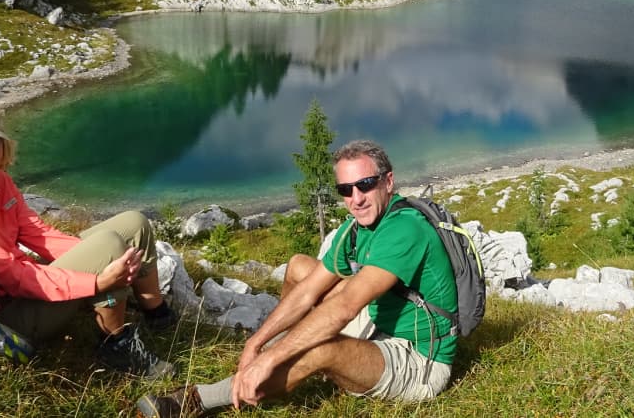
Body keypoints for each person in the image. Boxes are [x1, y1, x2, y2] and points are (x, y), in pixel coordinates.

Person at [135, 139, 457, 417]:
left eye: (365, 184)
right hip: (381, 324)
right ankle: (283, 362)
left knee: (321, 347)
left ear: (388, 181)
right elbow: (306, 292)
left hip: (419, 358)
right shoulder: (356, 229)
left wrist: (271, 357)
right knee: (302, 268)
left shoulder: (405, 228)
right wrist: (257, 342)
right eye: (345, 189)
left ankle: (196, 400)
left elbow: (345, 306)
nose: (355, 198)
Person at [0, 107, 176, 377]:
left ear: (3, 146)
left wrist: (94, 258)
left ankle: (157, 314)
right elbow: (15, 276)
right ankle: (116, 347)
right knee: (108, 248)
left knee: (134, 223)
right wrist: (98, 280)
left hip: (16, 292)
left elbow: (37, 234)